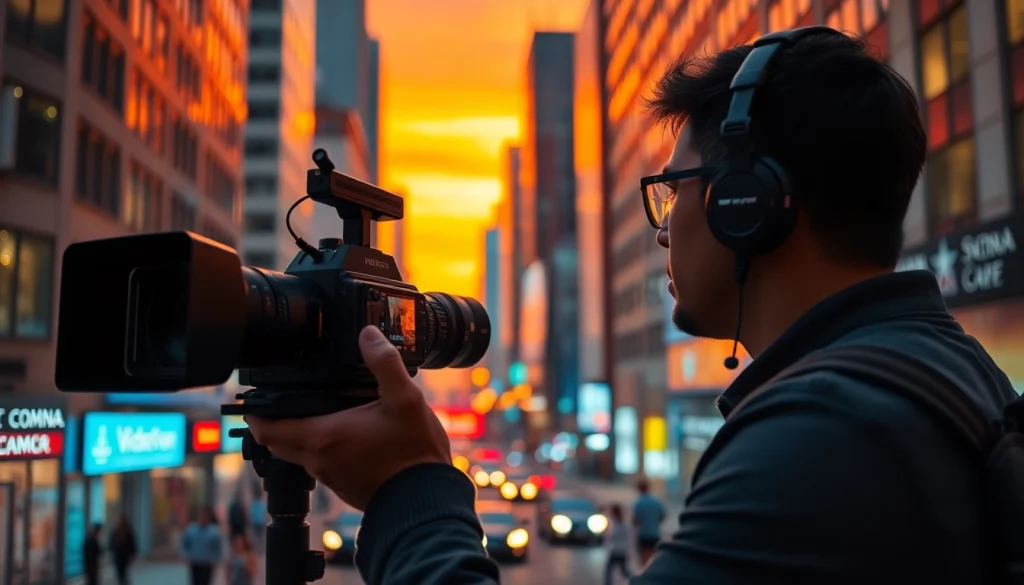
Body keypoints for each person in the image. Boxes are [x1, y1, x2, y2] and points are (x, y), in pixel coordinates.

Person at [245, 29, 1020, 584]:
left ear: (747, 202)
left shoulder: (831, 432)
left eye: (670, 191)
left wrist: (408, 486)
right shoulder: (936, 372)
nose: (661, 231)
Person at [181, 506, 223, 585]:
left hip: (207, 564)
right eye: (201, 515)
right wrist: (185, 555)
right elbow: (185, 544)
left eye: (205, 515)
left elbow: (218, 548)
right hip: (195, 563)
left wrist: (216, 560)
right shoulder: (191, 530)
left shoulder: (214, 532)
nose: (203, 518)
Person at [631, 479, 665, 566]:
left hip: (643, 535)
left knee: (644, 561)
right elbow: (662, 516)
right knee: (654, 560)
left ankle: (645, 578)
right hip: (655, 534)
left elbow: (634, 521)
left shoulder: (638, 503)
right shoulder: (656, 502)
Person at [604, 503, 630, 585]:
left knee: (608, 570)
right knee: (624, 570)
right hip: (622, 550)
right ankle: (634, 579)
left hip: (615, 550)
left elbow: (611, 535)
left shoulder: (614, 523)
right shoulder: (624, 524)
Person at [109, 515, 138, 585]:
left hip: (124, 558)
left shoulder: (128, 532)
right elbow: (111, 544)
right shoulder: (115, 532)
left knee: (123, 574)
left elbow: (132, 545)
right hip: (118, 557)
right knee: (120, 575)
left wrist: (132, 555)